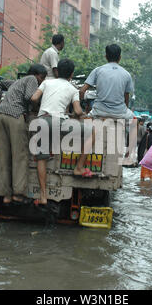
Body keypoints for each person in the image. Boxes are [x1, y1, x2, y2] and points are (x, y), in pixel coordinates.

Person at [31, 59, 94, 205]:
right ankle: (79, 167)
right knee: (92, 132)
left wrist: (37, 108)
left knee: (42, 158)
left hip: (41, 121)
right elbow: (78, 111)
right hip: (60, 122)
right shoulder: (73, 89)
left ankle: (43, 196)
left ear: (57, 71)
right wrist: (85, 115)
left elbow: (34, 98)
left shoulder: (47, 82)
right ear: (71, 74)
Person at [0, 64, 47, 205]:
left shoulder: (17, 82)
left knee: (3, 156)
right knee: (19, 156)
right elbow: (30, 97)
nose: (42, 82)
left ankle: (5, 195)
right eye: (42, 78)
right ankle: (18, 194)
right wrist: (36, 109)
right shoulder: (32, 80)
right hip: (15, 116)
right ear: (36, 75)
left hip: (0, 116)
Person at [79, 44, 135, 120]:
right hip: (120, 113)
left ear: (106, 57)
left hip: (98, 112)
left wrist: (83, 106)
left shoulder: (97, 70)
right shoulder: (126, 74)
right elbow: (126, 97)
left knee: (85, 125)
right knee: (136, 125)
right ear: (120, 57)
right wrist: (124, 110)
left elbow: (82, 91)